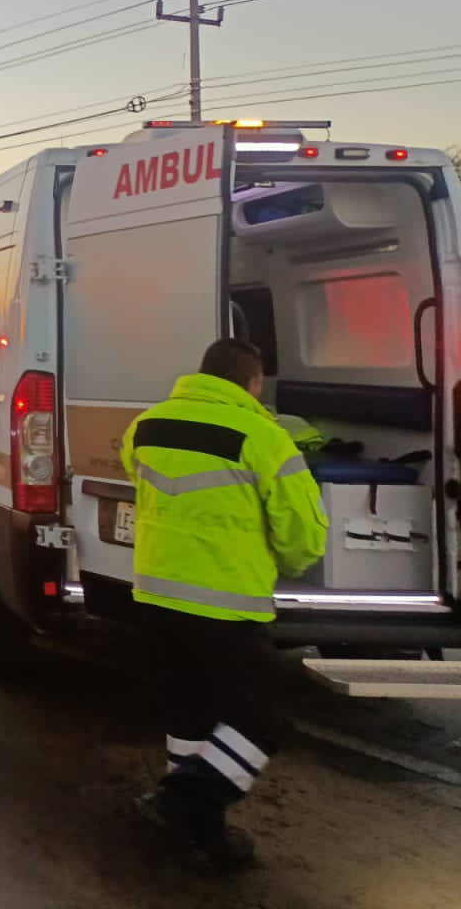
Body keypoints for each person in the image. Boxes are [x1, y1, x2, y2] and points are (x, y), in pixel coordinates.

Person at [123, 337, 327, 872]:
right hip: (224, 605)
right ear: (253, 382)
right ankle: (178, 802)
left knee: (190, 715)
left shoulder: (147, 425)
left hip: (155, 597)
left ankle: (201, 838)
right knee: (264, 719)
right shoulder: (264, 437)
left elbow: (136, 474)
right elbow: (303, 535)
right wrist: (288, 564)